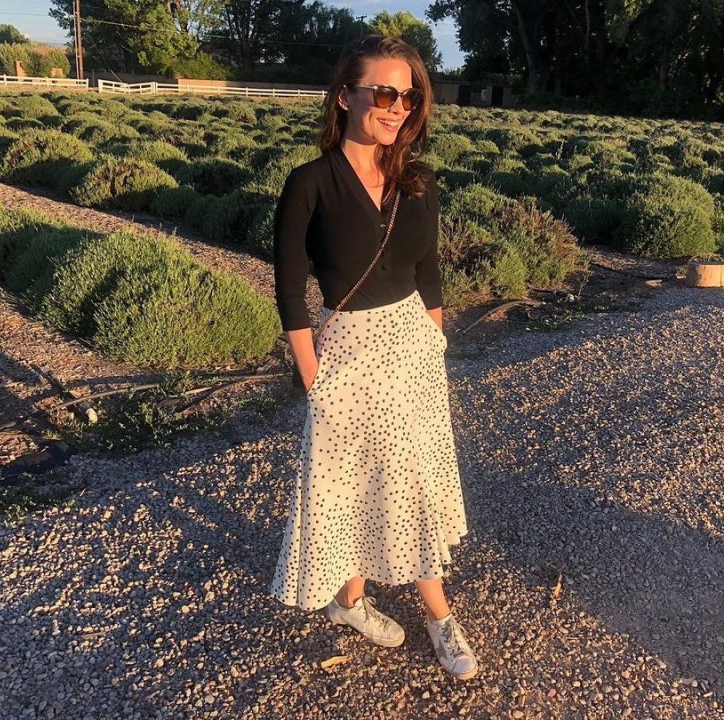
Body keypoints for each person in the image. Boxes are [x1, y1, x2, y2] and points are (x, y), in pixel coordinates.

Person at [270, 35, 477, 680]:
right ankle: (398, 609)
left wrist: (434, 340)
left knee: (409, 480)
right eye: (383, 92)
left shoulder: (419, 181)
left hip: (413, 349)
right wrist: (313, 376)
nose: (396, 107)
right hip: (348, 353)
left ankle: (399, 608)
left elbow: (429, 270)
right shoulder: (309, 184)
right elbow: (289, 288)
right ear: (345, 97)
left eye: (407, 96)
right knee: (359, 483)